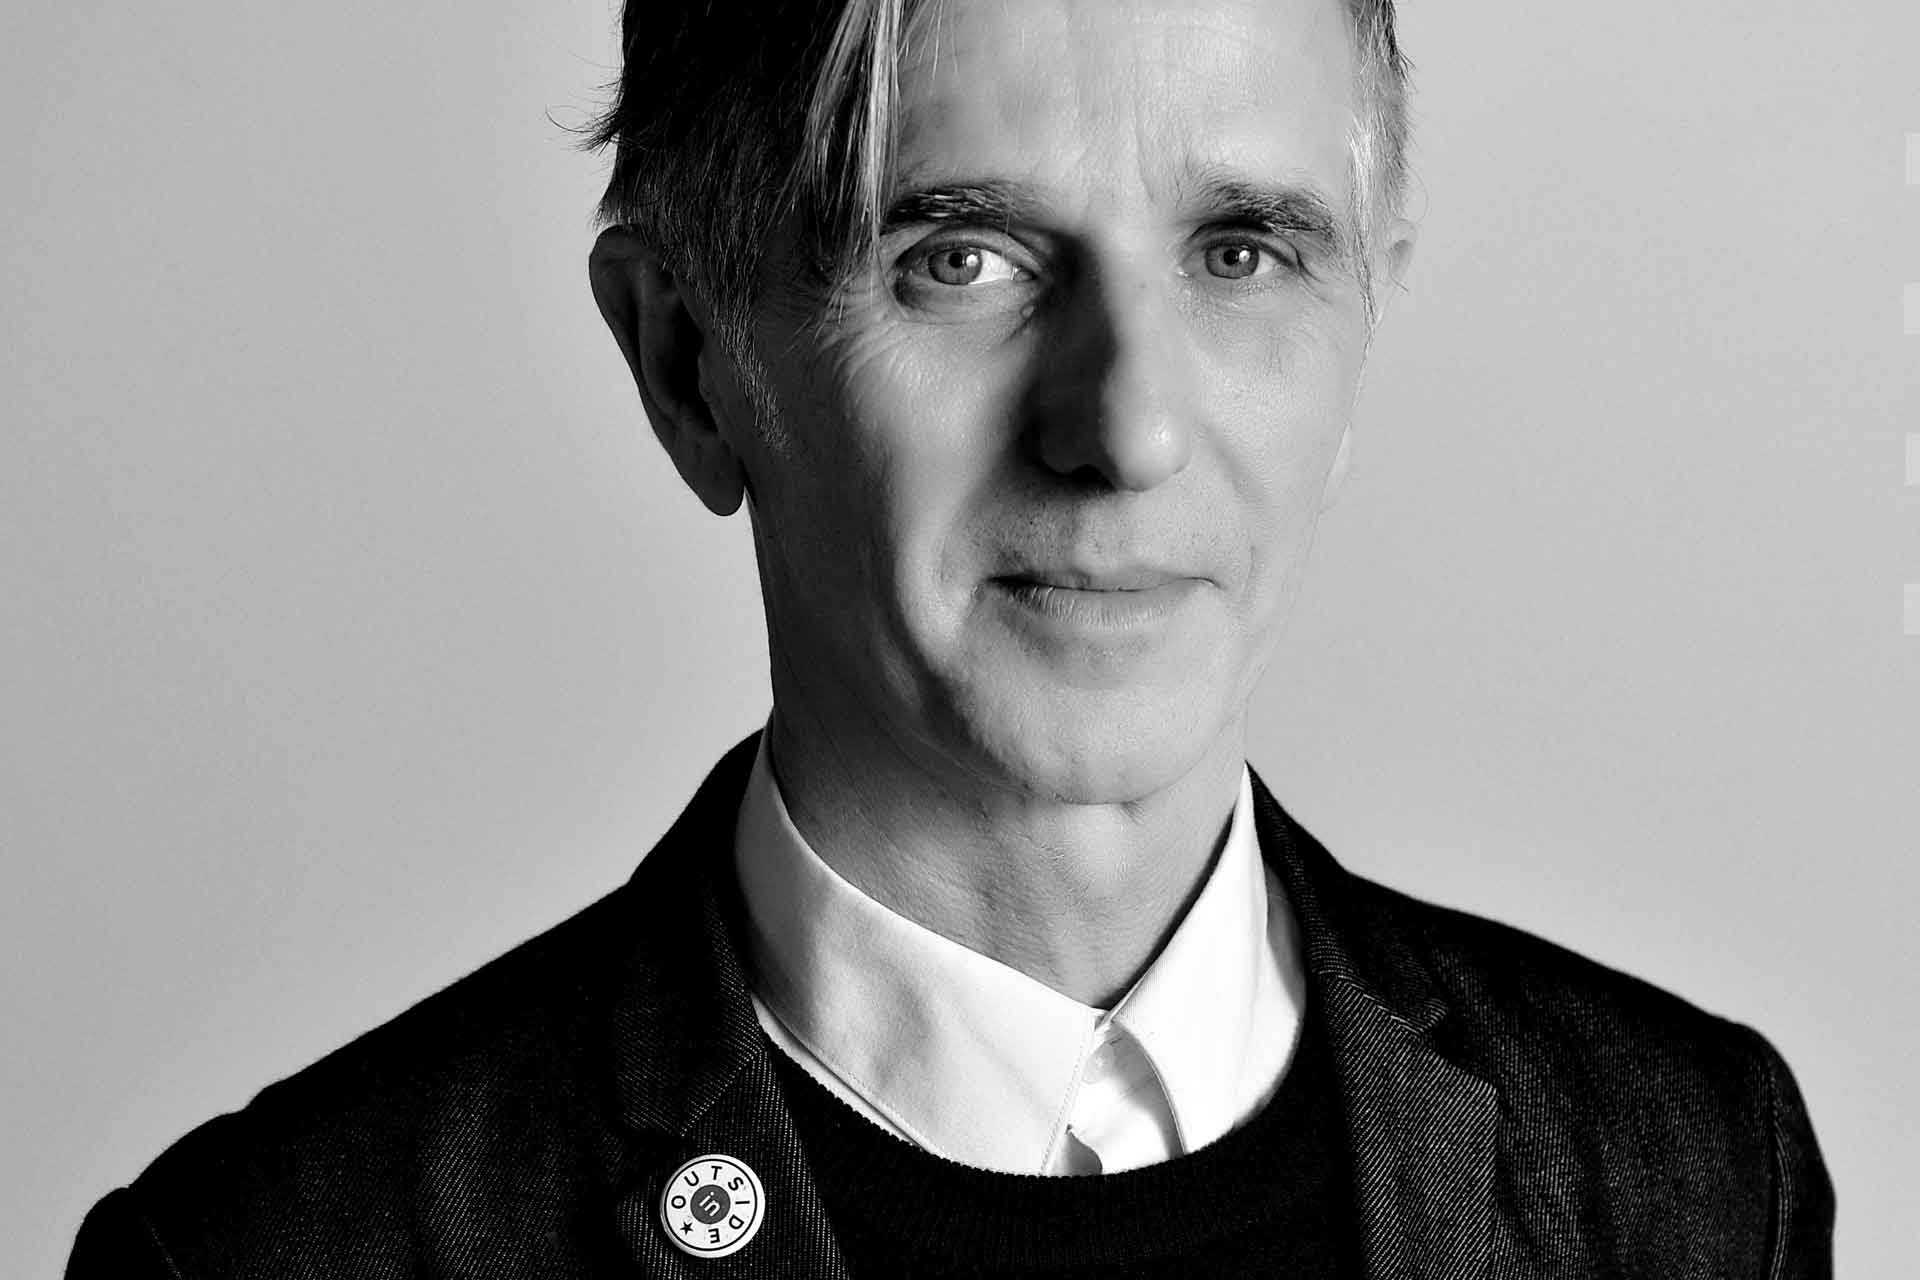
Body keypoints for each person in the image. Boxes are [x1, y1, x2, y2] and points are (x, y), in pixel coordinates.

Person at [66, 0, 1834, 1275]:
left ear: (1369, 304)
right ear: (688, 365)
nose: (1126, 427)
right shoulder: (283, 1250)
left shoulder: (1689, 1175)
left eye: (1242, 251)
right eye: (963, 259)